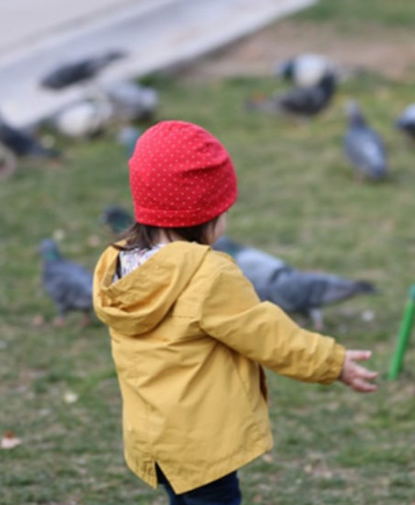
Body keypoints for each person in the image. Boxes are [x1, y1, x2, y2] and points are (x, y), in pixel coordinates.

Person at [93, 120, 378, 505]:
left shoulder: (118, 266)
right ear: (204, 216)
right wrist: (332, 362)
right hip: (202, 446)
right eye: (224, 211)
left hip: (154, 439)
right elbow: (268, 334)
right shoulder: (208, 275)